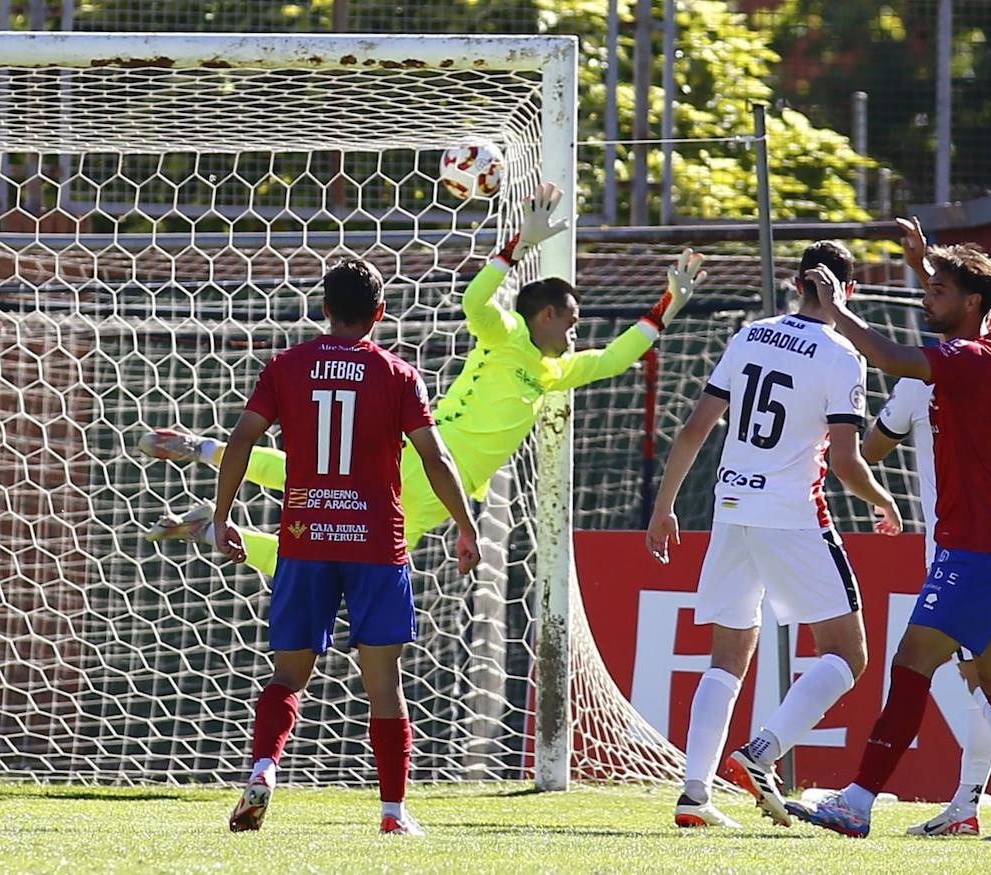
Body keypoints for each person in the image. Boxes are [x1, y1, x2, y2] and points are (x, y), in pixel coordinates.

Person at [141, 184, 705, 572]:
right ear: (547, 315)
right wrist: (517, 246)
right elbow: (474, 296)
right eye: (574, 322)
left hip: (441, 496)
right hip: (427, 459)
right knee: (320, 505)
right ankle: (206, 453)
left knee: (329, 539)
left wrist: (666, 306)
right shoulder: (503, 333)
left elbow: (614, 358)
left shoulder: (556, 371)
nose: (578, 335)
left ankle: (211, 516)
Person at [790, 218, 991, 842]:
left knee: (911, 659)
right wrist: (927, 267)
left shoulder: (967, 360)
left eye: (937, 293)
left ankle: (858, 801)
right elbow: (964, 307)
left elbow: (891, 356)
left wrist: (837, 309)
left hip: (976, 551)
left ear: (969, 304)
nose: (927, 300)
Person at [218, 256, 481, 836]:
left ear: (325, 310)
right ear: (380, 315)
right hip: (375, 544)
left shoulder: (287, 366)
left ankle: (265, 768)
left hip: (306, 538)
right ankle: (392, 812)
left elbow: (241, 439)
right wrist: (466, 524)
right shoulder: (399, 374)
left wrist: (222, 517)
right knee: (384, 683)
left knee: (288, 675)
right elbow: (435, 456)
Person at [645, 241, 901, 830]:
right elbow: (844, 462)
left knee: (727, 655)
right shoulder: (842, 354)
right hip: (792, 513)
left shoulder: (750, 335)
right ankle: (763, 752)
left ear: (795, 284)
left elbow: (694, 429)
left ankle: (694, 793)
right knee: (847, 653)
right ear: (848, 291)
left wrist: (664, 507)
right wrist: (883, 500)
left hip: (731, 508)